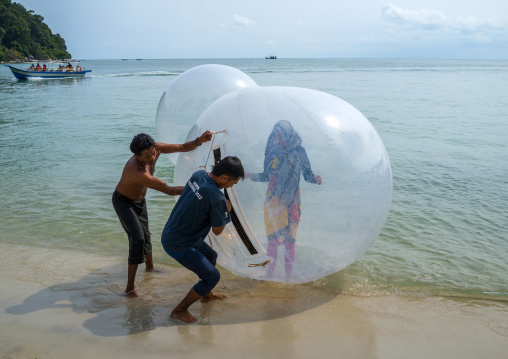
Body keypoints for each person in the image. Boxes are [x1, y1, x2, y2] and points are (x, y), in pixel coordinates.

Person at [113, 131, 212, 298]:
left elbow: (182, 147)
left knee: (146, 235)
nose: (152, 158)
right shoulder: (137, 171)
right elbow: (168, 190)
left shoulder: (156, 149)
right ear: (137, 156)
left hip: (140, 201)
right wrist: (199, 189)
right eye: (147, 157)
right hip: (124, 202)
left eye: (153, 153)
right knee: (137, 239)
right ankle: (129, 288)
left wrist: (199, 140)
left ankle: (150, 268)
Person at [161, 156, 244, 323]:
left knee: (211, 256)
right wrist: (227, 211)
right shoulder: (217, 198)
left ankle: (207, 295)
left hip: (174, 233)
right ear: (225, 177)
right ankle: (179, 310)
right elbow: (217, 231)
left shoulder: (198, 175)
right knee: (212, 276)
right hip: (179, 243)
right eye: (232, 183)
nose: (231, 187)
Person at [245, 120, 322, 282]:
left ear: (288, 136)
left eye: (280, 136)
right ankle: (269, 274)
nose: (276, 139)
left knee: (289, 240)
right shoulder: (272, 151)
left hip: (292, 201)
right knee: (272, 240)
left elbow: (307, 175)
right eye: (275, 135)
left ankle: (288, 277)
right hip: (273, 201)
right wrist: (250, 175)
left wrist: (315, 179)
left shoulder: (300, 152)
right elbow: (266, 176)